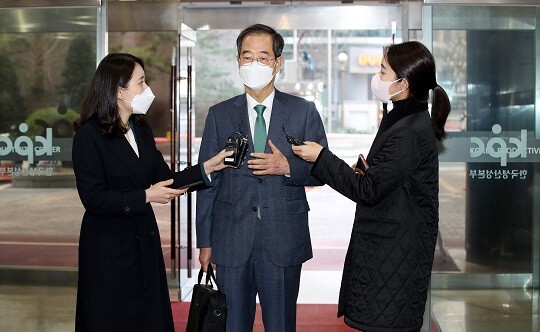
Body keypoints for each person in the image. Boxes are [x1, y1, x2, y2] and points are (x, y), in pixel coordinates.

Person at [292, 41, 451, 331]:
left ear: (403, 83)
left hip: (394, 254)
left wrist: (322, 158)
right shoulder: (401, 117)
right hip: (388, 248)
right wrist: (365, 171)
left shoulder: (410, 131)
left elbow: (369, 191)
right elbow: (387, 179)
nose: (376, 77)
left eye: (382, 71)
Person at [72, 53, 231, 331]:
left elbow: (165, 179)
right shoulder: (88, 136)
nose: (147, 90)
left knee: (147, 318)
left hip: (143, 241)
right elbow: (93, 198)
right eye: (141, 83)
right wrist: (145, 196)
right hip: (107, 248)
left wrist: (207, 167)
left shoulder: (141, 128)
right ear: (119, 91)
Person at [196, 24, 328, 331]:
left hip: (283, 236)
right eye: (247, 56)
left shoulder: (303, 111)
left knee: (281, 324)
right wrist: (205, 241)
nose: (254, 64)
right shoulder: (219, 114)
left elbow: (324, 170)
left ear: (278, 62)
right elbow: (208, 182)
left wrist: (288, 168)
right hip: (230, 239)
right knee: (232, 325)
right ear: (238, 61)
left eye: (263, 57)